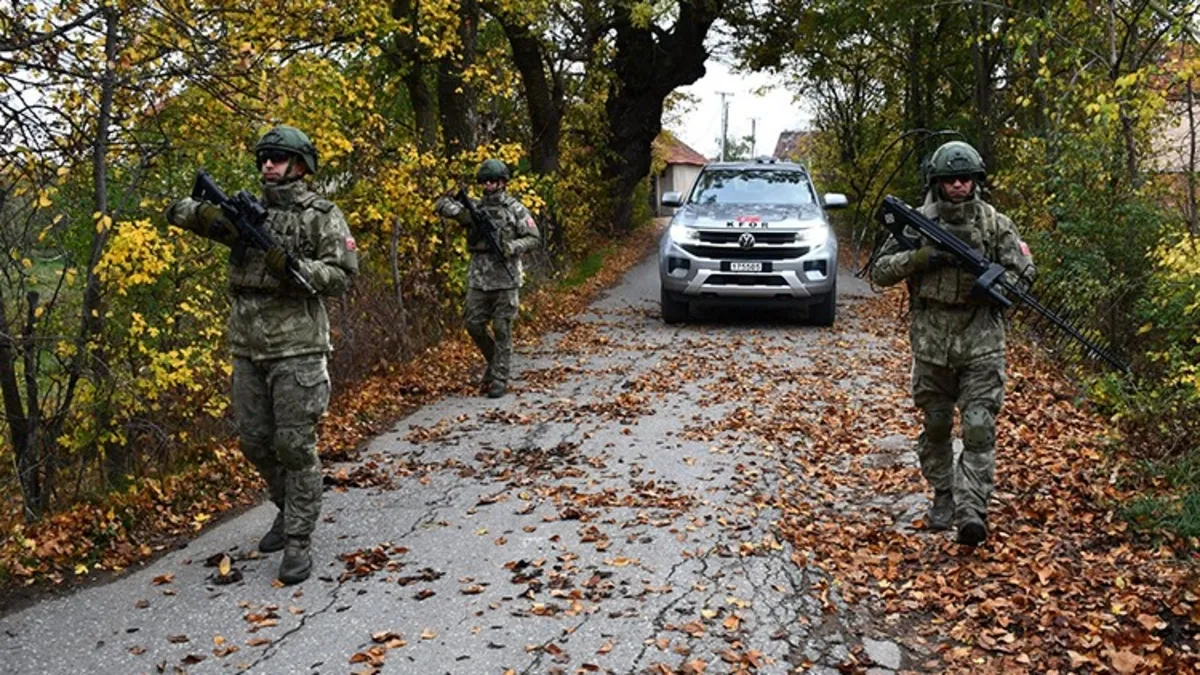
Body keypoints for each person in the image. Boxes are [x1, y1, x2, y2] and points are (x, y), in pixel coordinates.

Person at [165, 125, 358, 583]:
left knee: (294, 445)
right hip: (248, 346)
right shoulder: (248, 213)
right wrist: (203, 212)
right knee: (253, 441)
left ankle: (298, 539)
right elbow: (181, 212)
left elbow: (343, 275)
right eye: (264, 158)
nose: (268, 164)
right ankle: (288, 508)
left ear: (300, 165)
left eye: (278, 157)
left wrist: (294, 267)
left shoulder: (321, 216)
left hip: (298, 347)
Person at [870, 140, 1034, 546]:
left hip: (981, 342)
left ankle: (971, 510)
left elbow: (1023, 274)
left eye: (965, 178)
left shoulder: (996, 224)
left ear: (976, 180)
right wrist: (918, 259)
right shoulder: (916, 223)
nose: (958, 185)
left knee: (978, 427)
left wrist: (995, 286)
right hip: (931, 344)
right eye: (950, 179)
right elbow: (880, 272)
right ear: (937, 182)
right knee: (937, 424)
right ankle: (944, 494)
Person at [434, 159, 540, 398]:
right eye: (485, 181)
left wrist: (511, 247)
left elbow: (534, 237)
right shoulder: (475, 207)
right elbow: (441, 204)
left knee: (502, 328)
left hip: (506, 278)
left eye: (493, 181)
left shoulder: (515, 209)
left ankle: (499, 377)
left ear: (503, 182)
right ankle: (494, 362)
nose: (488, 185)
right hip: (479, 278)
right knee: (473, 324)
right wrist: (459, 212)